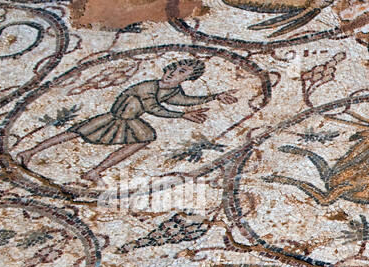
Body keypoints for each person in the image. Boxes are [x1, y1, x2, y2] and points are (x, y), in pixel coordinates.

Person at [16, 58, 237, 183]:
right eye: (173, 69)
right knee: (74, 133)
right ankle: (30, 152)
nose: (172, 73)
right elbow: (153, 108)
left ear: (188, 78)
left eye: (181, 72)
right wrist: (182, 116)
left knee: (143, 139)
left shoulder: (173, 90)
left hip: (131, 120)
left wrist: (214, 96)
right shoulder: (148, 87)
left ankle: (95, 171)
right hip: (116, 118)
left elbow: (185, 99)